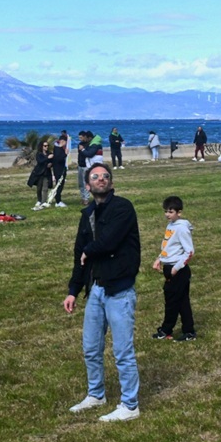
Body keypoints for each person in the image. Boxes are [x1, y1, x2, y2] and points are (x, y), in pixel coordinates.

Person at [63, 164, 141, 422]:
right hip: (96, 290)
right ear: (87, 185)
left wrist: (90, 250)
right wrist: (73, 290)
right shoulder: (87, 214)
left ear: (111, 183)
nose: (101, 179)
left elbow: (110, 240)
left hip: (119, 290)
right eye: (95, 177)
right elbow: (79, 254)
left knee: (122, 351)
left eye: (105, 176)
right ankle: (96, 394)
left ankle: (130, 405)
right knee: (91, 348)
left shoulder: (123, 208)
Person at [151, 195, 195, 341]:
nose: (167, 215)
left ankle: (166, 330)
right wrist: (159, 259)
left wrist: (175, 269)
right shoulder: (170, 226)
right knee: (182, 302)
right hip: (169, 267)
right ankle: (189, 332)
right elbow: (168, 246)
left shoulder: (182, 228)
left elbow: (189, 252)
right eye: (166, 211)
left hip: (178, 271)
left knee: (171, 301)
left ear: (179, 212)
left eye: (170, 212)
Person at [30, 139, 55, 211]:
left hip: (46, 173)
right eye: (45, 146)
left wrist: (51, 164)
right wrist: (47, 158)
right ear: (42, 146)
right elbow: (40, 161)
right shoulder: (39, 154)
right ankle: (39, 200)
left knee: (45, 188)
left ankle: (44, 201)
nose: (46, 147)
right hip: (39, 173)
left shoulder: (49, 153)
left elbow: (52, 161)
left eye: (47, 146)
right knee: (39, 188)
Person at [52, 131, 69, 206]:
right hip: (58, 169)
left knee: (60, 184)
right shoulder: (57, 148)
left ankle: (58, 200)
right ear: (62, 141)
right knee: (59, 184)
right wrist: (65, 154)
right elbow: (59, 159)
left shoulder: (60, 148)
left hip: (61, 168)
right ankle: (58, 201)